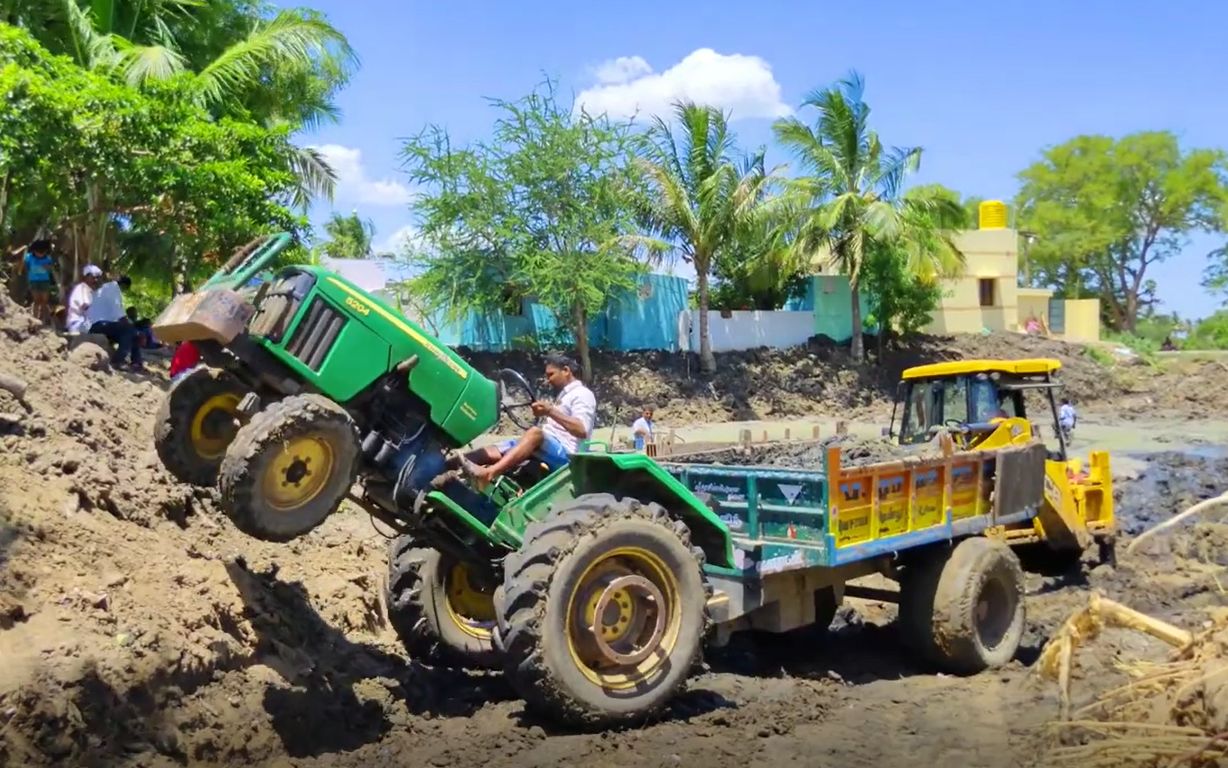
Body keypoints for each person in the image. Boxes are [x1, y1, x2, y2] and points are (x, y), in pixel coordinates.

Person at [462, 354, 596, 485]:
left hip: (568, 455)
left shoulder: (582, 394)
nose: (548, 380)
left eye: (551, 374)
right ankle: (450, 466)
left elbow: (582, 429)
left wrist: (550, 411)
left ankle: (489, 474)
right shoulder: (564, 395)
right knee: (490, 452)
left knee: (535, 433)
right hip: (550, 448)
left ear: (566, 371)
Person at [85, 271, 143, 371]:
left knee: (133, 333)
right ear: (124, 286)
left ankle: (136, 363)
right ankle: (118, 361)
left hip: (96, 324)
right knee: (131, 330)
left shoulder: (104, 288)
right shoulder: (114, 288)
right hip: (98, 325)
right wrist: (133, 328)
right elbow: (119, 314)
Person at [20, 240, 55, 326]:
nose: (41, 254)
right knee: (36, 300)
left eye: (42, 252)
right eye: (39, 252)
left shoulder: (48, 259)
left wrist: (48, 268)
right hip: (34, 281)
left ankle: (44, 319)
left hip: (45, 281)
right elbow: (26, 267)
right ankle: (35, 319)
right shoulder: (29, 258)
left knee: (44, 301)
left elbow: (51, 269)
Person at [65, 264, 103, 335]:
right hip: (77, 323)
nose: (96, 280)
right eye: (93, 277)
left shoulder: (91, 291)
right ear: (86, 277)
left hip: (85, 323)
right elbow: (85, 306)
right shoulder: (81, 288)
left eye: (97, 278)